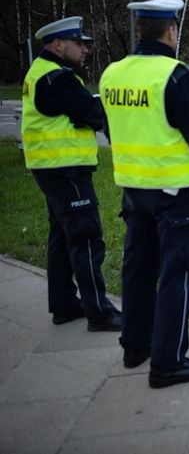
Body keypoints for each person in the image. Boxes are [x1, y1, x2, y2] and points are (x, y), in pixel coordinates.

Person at [99, 0, 189, 389]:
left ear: (140, 32)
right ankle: (168, 362)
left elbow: (109, 124)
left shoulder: (112, 74)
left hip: (133, 189)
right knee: (177, 275)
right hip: (174, 193)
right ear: (171, 31)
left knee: (137, 269)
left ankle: (135, 346)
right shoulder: (175, 76)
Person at [21, 16, 122, 331]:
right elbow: (93, 114)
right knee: (86, 239)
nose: (85, 50)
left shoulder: (41, 73)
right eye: (79, 43)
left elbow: (78, 112)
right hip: (66, 170)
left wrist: (84, 113)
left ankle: (64, 304)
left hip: (49, 167)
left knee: (62, 236)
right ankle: (100, 313)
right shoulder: (58, 78)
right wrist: (93, 114)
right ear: (57, 44)